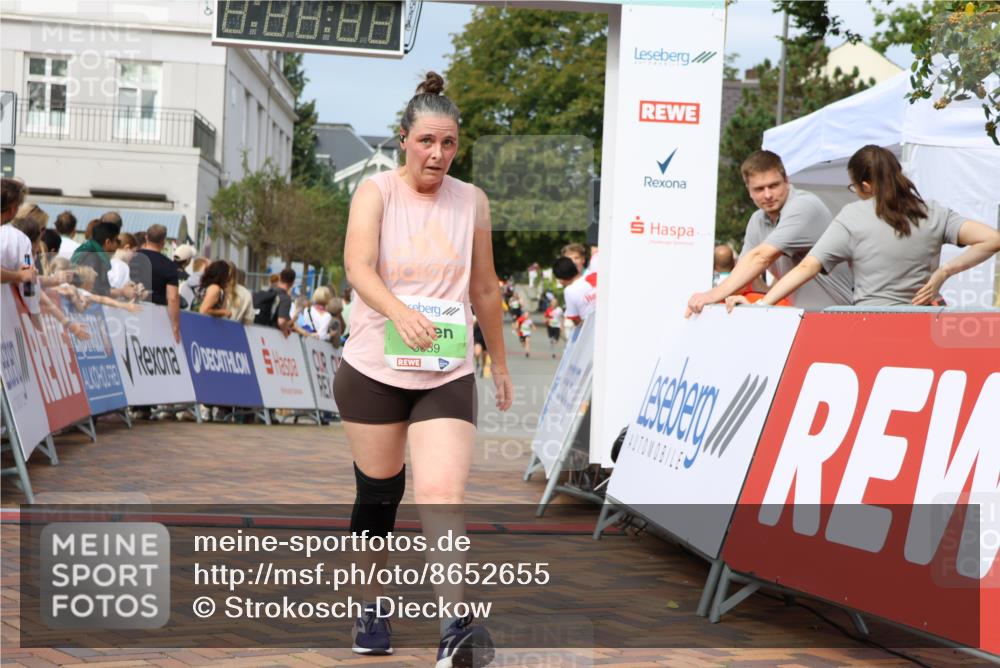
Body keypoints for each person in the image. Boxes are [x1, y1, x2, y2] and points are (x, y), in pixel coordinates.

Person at [333, 71, 511, 666]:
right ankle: (370, 605)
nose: (438, 154)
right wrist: (399, 314)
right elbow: (358, 267)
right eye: (427, 141)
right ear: (404, 139)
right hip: (374, 367)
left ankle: (455, 628)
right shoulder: (375, 192)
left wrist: (502, 362)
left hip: (447, 368)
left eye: (450, 144)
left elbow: (484, 288)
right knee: (379, 499)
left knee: (442, 493)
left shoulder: (473, 201)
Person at [728, 144, 1000, 309]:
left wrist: (763, 304)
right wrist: (944, 272)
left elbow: (807, 267)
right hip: (926, 318)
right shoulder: (934, 212)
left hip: (873, 321)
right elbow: (992, 239)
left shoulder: (852, 216)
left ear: (865, 186)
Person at [685, 150, 853, 316]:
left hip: (837, 317)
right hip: (795, 318)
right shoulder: (757, 220)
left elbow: (761, 257)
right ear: (748, 190)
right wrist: (711, 304)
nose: (768, 195)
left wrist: (710, 296)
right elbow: (745, 275)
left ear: (786, 181)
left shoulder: (804, 206)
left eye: (774, 186)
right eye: (759, 189)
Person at [131, 223, 181, 343]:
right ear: (163, 242)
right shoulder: (169, 265)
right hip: (156, 317)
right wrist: (175, 326)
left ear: (146, 237)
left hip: (129, 311)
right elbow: (172, 297)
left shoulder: (132, 257)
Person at [71, 221, 119, 298]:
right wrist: (122, 292)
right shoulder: (93, 257)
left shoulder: (93, 254)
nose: (118, 244)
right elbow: (96, 290)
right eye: (117, 240)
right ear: (108, 242)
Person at [552, 255, 595, 326]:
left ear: (561, 280)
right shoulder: (593, 275)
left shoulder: (569, 291)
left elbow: (575, 319)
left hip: (591, 328)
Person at [252, 267, 295, 334]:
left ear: (280, 278)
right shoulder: (285, 298)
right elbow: (281, 321)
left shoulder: (269, 292)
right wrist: (285, 330)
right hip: (272, 334)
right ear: (292, 283)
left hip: (256, 329)